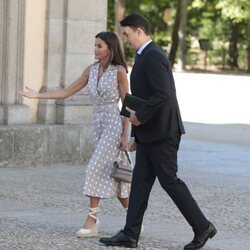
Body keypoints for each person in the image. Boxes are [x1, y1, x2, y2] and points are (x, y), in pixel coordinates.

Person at [99, 13, 217, 249]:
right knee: (140, 183)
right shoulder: (144, 56)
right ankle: (130, 234)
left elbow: (163, 94)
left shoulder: (153, 55)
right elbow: (142, 98)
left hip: (163, 133)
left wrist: (139, 119)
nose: (126, 39)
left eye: (127, 34)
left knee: (170, 182)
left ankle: (203, 227)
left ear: (139, 31)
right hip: (149, 134)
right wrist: (135, 134)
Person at [19, 31, 131, 238]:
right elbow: (66, 92)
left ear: (110, 48)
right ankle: (134, 219)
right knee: (117, 176)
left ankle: (92, 219)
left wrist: (126, 135)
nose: (95, 49)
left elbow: (127, 105)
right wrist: (37, 95)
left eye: (99, 46)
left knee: (93, 168)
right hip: (97, 124)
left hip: (114, 125)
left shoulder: (120, 71)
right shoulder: (91, 69)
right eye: (95, 45)